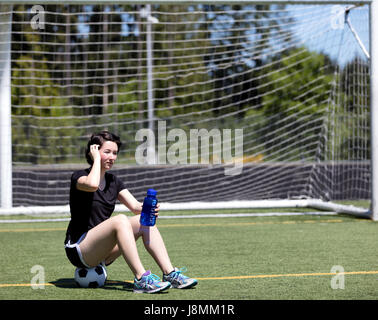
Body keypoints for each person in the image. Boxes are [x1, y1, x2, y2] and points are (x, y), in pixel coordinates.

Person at [64, 130, 197, 293]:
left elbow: (135, 207)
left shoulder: (114, 181)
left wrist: (149, 208)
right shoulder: (79, 177)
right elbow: (92, 185)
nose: (112, 157)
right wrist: (97, 159)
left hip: (102, 252)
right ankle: (141, 278)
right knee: (120, 219)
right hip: (79, 249)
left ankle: (169, 273)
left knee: (144, 218)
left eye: (115, 153)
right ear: (94, 151)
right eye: (107, 152)